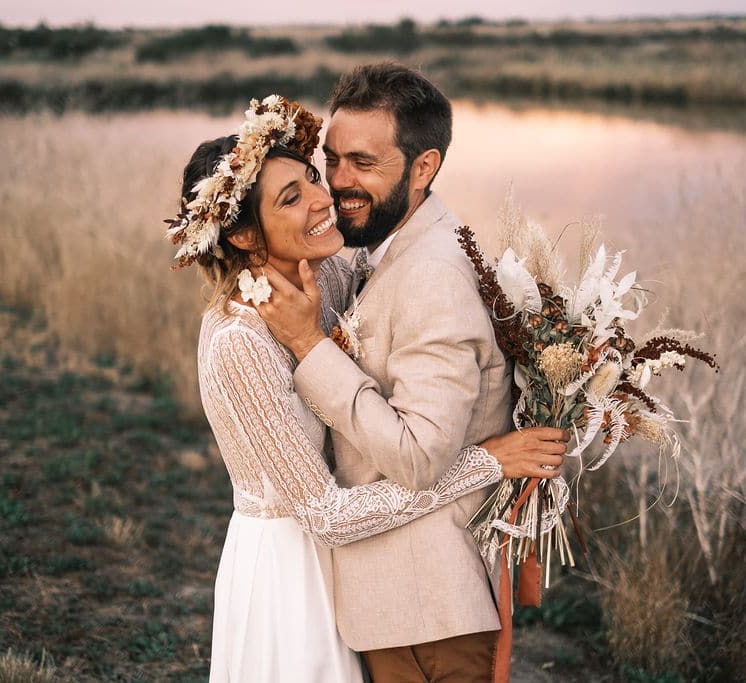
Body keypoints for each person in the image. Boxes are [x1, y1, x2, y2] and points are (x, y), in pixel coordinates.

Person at [166, 95, 568, 682]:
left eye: (311, 177)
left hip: (357, 568)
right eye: (291, 198)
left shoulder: (325, 271)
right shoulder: (238, 344)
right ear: (248, 237)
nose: (322, 197)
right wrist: (486, 461)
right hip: (290, 572)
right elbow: (324, 515)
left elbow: (410, 279)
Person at [257, 64, 531, 682]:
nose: (336, 184)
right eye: (331, 160)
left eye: (362, 163)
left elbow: (417, 457)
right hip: (397, 607)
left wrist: (307, 344)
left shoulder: (432, 274)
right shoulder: (385, 248)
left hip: (430, 614)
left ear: (423, 167)